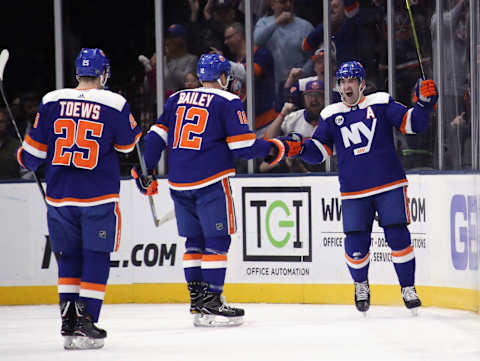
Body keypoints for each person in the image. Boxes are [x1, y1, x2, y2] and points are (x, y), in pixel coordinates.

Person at [132, 53, 284, 327]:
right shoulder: (228, 100)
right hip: (211, 180)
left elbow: (155, 136)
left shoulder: (176, 98)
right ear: (224, 77)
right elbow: (242, 146)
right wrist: (272, 147)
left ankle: (198, 302)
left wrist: (145, 169)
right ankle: (212, 301)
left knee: (194, 242)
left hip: (179, 183)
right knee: (217, 241)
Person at [278, 61, 438, 314]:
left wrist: (424, 105)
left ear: (362, 83)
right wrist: (300, 147)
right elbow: (319, 152)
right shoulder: (331, 115)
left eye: (351, 81)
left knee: (398, 236)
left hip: (389, 184)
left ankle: (408, 288)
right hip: (354, 191)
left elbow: (412, 125)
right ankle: (361, 284)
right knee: (355, 244)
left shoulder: (381, 102)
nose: (346, 86)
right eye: (342, 81)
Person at [16, 48, 142, 349]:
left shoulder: (51, 100)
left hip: (59, 198)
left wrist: (23, 153)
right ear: (103, 74)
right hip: (98, 196)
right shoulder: (114, 102)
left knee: (68, 259)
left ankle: (69, 324)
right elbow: (127, 147)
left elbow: (30, 158)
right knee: (96, 257)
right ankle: (88, 319)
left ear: (76, 73)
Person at [254, 0, 314, 110]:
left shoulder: (305, 26)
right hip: (272, 87)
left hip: (299, 84)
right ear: (272, 4)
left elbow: (313, 57)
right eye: (283, 2)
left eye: (290, 1)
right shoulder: (264, 23)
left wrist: (301, 73)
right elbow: (256, 41)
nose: (288, 5)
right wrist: (276, 23)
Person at [223, 22, 277, 134]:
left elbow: (250, 73)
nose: (226, 42)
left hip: (265, 123)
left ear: (239, 35)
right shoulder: (236, 63)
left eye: (229, 37)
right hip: (244, 126)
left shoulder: (261, 54)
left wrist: (223, 63)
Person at [0, 108, 20, 179]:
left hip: (13, 187)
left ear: (7, 123)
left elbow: (26, 172)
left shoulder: (17, 145)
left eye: (1, 122)